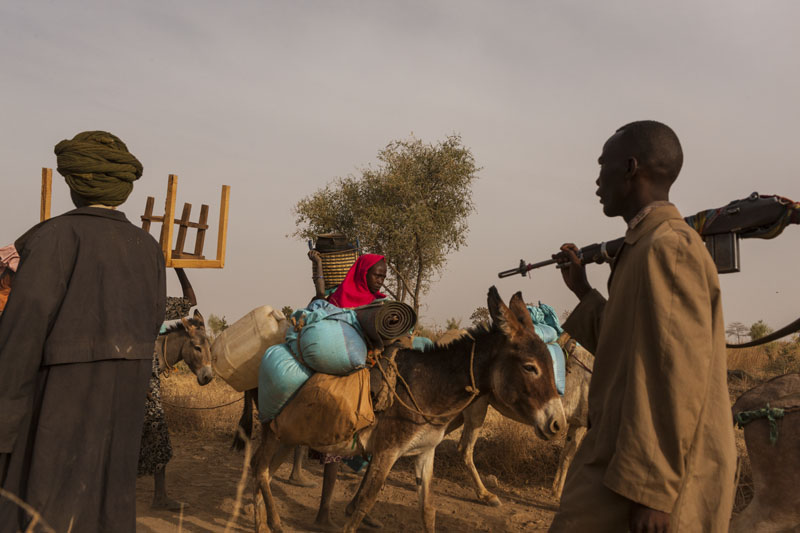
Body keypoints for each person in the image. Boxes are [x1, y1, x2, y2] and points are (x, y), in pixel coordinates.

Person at [548, 120, 736, 532]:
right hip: (622, 459)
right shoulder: (645, 246)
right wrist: (583, 291)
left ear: (631, 167)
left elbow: (675, 373)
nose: (597, 179)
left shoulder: (669, 247)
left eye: (604, 165)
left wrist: (652, 491)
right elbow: (627, 347)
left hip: (644, 476)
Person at [0, 131, 166, 533]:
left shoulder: (51, 238)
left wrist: (4, 427)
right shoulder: (148, 248)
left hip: (55, 406)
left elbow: (19, 339)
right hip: (123, 408)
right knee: (108, 507)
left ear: (73, 184)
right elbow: (151, 323)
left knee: (39, 511)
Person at [306, 250, 386, 531]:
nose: (381, 281)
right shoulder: (340, 298)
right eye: (377, 275)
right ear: (364, 273)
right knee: (335, 450)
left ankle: (359, 505)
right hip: (343, 377)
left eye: (384, 276)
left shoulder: (379, 305)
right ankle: (323, 512)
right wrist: (316, 264)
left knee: (379, 446)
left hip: (367, 379)